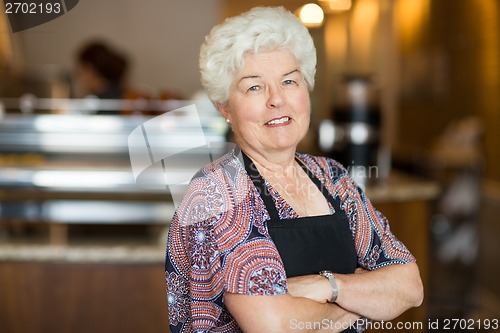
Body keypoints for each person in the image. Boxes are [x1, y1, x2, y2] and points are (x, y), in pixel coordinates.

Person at [165, 6, 423, 333]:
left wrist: (328, 287)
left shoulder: (332, 177)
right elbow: (276, 326)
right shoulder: (218, 192)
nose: (277, 100)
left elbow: (410, 286)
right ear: (225, 108)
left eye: (289, 81)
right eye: (255, 87)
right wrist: (365, 299)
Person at [75, 40, 129, 114]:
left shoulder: (97, 103)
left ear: (90, 70)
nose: (80, 80)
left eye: (80, 73)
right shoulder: (122, 93)